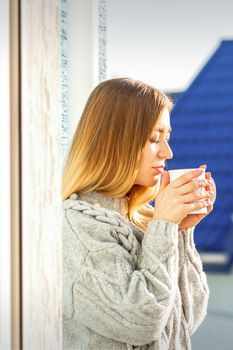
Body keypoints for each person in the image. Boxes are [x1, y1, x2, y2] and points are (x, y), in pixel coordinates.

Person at [62, 78, 215, 350]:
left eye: (167, 137)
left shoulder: (145, 221)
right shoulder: (75, 227)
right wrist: (165, 223)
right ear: (116, 141)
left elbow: (185, 321)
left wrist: (180, 231)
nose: (168, 152)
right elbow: (143, 322)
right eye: (154, 138)